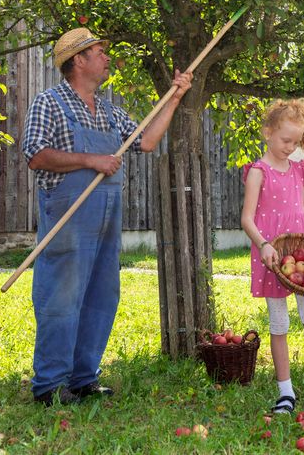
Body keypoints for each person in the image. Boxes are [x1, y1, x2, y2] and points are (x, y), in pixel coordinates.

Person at [21, 27, 192, 406]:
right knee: (61, 297)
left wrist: (175, 97)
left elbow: (146, 141)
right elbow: (35, 154)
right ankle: (50, 386)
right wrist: (89, 159)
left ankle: (83, 379)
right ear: (78, 60)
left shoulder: (110, 110)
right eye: (99, 51)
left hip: (107, 218)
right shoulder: (49, 103)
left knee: (101, 296)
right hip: (68, 215)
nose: (106, 57)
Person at [240, 98, 304, 419]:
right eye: (286, 140)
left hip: (302, 253)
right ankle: (285, 391)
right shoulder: (258, 172)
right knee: (279, 323)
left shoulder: (299, 169)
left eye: (296, 142)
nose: (290, 147)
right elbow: (247, 219)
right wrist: (263, 244)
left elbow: (301, 215)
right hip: (273, 256)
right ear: (267, 132)